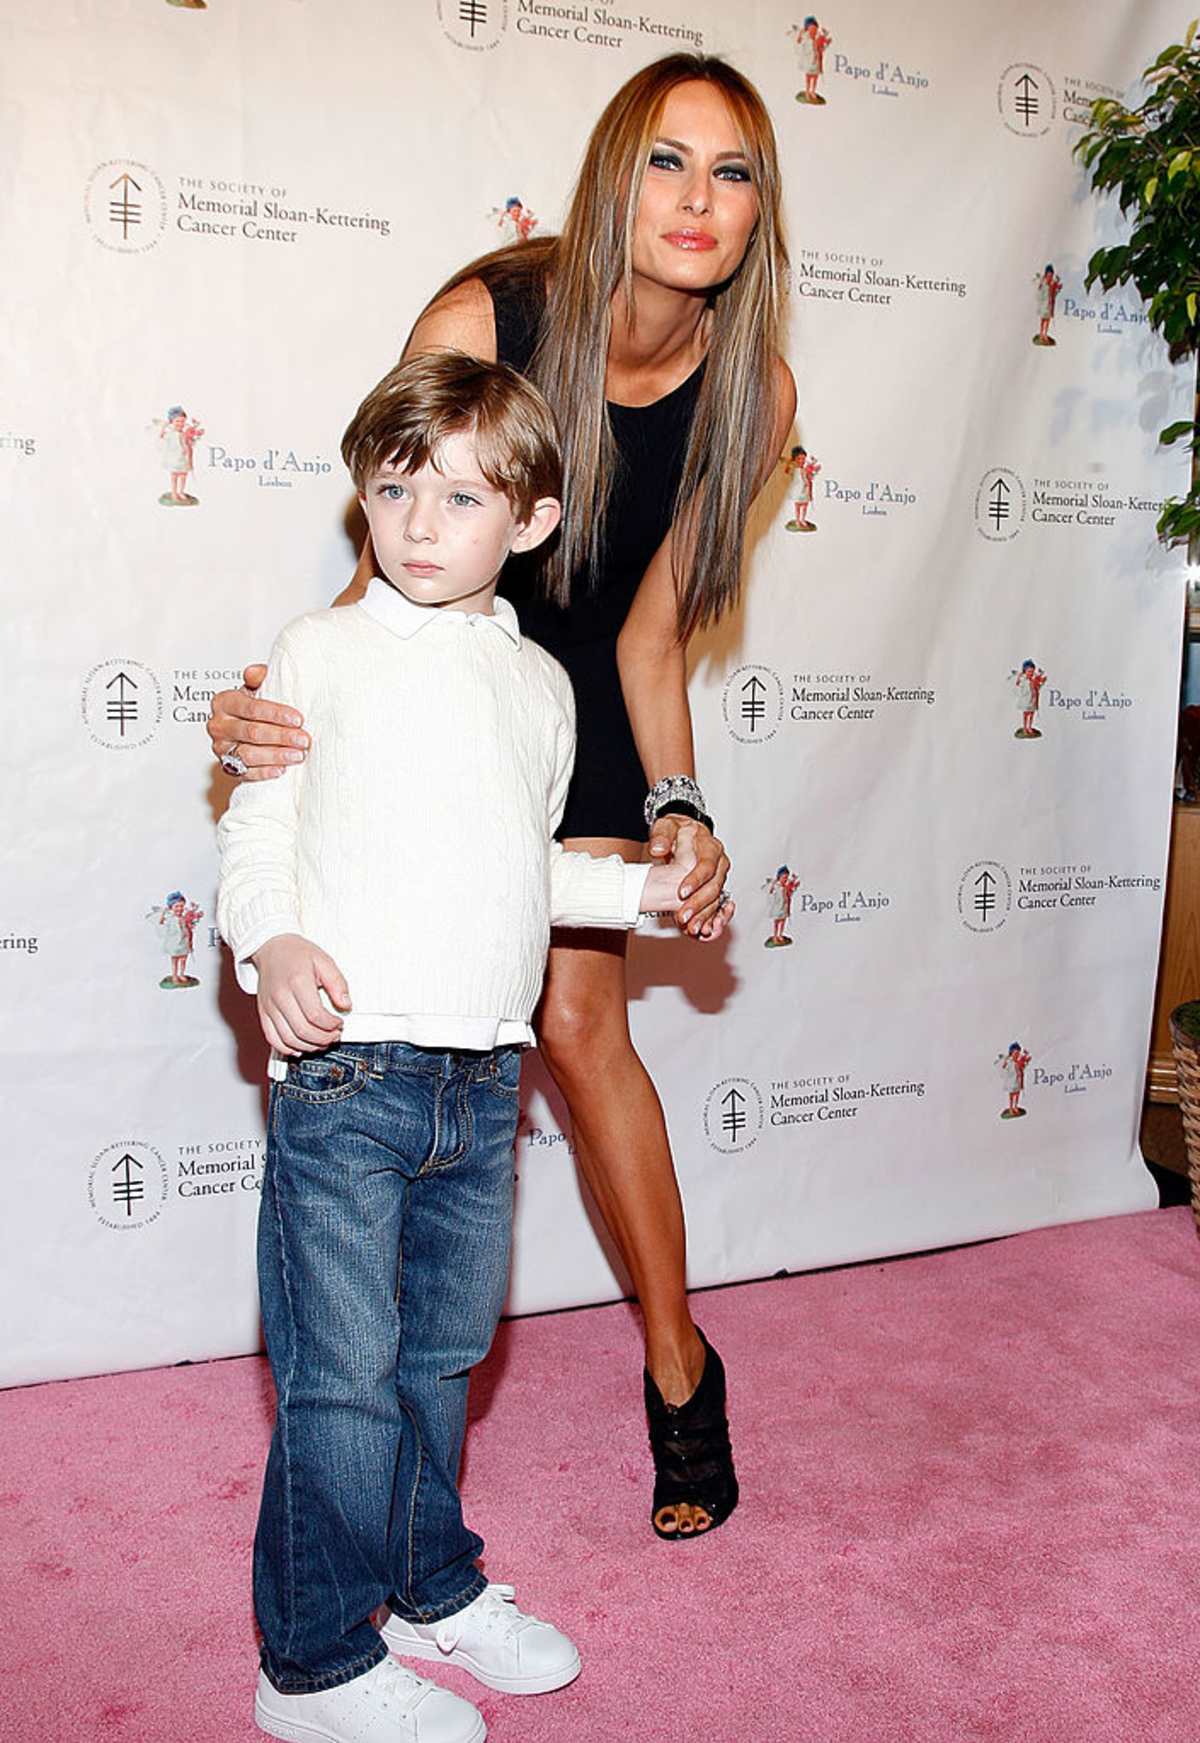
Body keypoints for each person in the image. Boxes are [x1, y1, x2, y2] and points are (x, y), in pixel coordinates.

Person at [207, 52, 796, 1541]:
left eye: (732, 175)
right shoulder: (490, 315)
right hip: (448, 653)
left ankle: (679, 1361)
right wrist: (279, 705)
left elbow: (655, 630)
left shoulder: (756, 386)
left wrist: (682, 799)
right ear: (615, 173)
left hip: (587, 682)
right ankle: (393, 1395)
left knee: (582, 1017)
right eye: (667, 162)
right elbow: (387, 563)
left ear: (757, 213)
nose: (696, 201)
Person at [218, 352, 716, 1743]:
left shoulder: (540, 690)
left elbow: (528, 870)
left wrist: (643, 894)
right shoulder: (321, 651)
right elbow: (258, 830)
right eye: (393, 488)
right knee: (337, 1374)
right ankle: (308, 1658)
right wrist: (271, 945)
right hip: (348, 1073)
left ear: (534, 522)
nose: (419, 521)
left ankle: (432, 1582)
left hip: (483, 1080)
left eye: (459, 494)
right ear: (359, 499)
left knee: (439, 1358)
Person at [783, 444, 820, 531]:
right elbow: (787, 472)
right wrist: (788, 464)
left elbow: (809, 474)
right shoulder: (794, 469)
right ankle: (797, 520)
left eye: (803, 459)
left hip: (804, 490)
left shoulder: (805, 469)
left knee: (805, 505)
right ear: (794, 459)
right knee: (797, 506)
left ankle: (803, 519)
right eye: (799, 459)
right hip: (797, 490)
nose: (802, 461)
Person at [1014, 659, 1046, 737]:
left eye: (1032, 671)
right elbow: (1018, 685)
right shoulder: (1024, 680)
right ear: (1025, 671)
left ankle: (1029, 727)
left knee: (1032, 713)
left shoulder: (1034, 680)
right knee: (1026, 714)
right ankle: (1025, 727)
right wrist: (1019, 678)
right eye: (1029, 671)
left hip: (1033, 700)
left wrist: (1041, 681)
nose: (1031, 673)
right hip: (1026, 700)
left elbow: (1038, 687)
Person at [1033, 264, 1062, 346]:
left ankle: (1044, 334)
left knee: (1047, 320)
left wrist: (1057, 288)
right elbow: (1040, 290)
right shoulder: (1044, 282)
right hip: (1044, 304)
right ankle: (1042, 334)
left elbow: (1054, 291)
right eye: (1049, 274)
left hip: (1049, 304)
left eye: (1051, 275)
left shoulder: (1052, 283)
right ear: (1046, 274)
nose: (1050, 276)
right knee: (1043, 319)